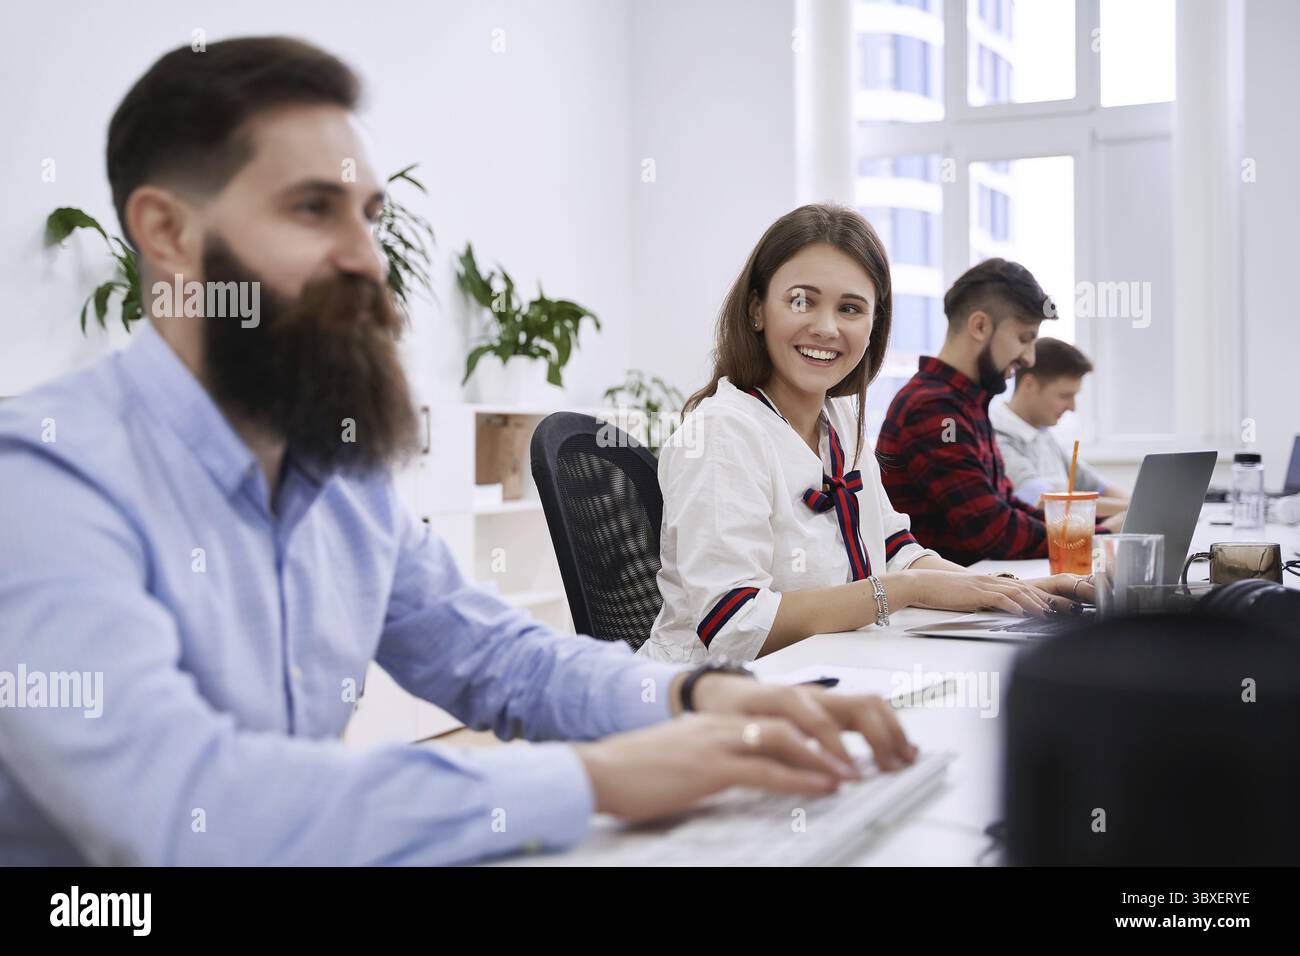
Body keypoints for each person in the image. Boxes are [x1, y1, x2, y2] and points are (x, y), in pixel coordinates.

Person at [0, 37, 918, 866]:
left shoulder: (338, 475)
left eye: (370, 215)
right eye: (314, 209)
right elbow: (180, 809)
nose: (368, 258)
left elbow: (500, 658)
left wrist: (699, 702)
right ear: (167, 233)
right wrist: (597, 782)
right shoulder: (43, 482)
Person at [639, 206, 1094, 665]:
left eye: (851, 308)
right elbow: (735, 626)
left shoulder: (839, 423)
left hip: (818, 674)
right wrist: (904, 590)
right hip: (704, 699)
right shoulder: (722, 434)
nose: (826, 327)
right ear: (757, 309)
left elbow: (895, 550)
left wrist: (1008, 592)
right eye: (801, 300)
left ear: (874, 324)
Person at [877, 259, 1123, 566]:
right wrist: (1092, 537)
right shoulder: (936, 411)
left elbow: (1008, 506)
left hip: (973, 588)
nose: (1030, 358)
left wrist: (1089, 532)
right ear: (980, 326)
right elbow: (992, 529)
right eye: (1024, 339)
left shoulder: (965, 404)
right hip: (943, 604)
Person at [990, 337, 1129, 517]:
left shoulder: (1041, 434)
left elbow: (1098, 486)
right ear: (1029, 385)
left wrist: (1135, 503)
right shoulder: (998, 438)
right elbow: (1045, 503)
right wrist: (1134, 510)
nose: (1073, 407)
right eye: (1065, 395)